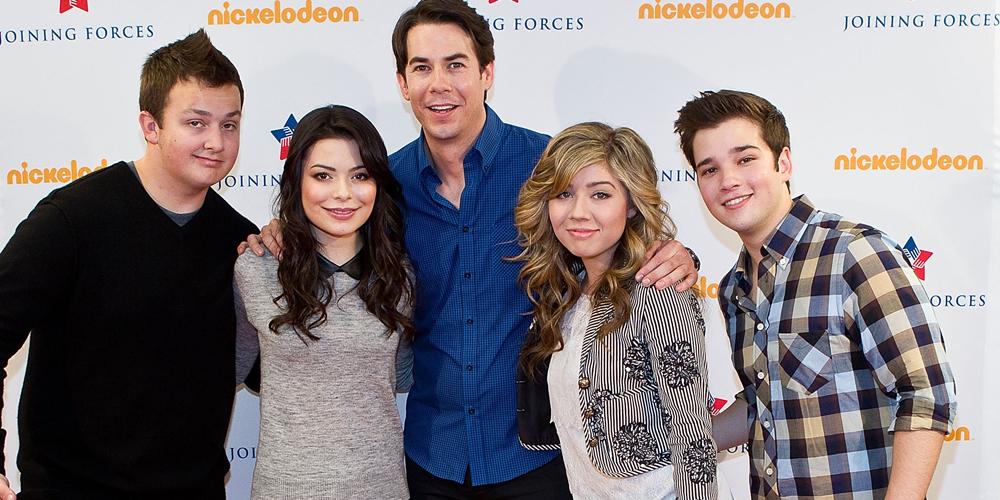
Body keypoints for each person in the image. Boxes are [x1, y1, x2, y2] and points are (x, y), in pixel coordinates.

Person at [245, 1, 699, 496]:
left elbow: (617, 228)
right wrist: (283, 230)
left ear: (487, 73)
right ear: (402, 83)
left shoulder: (548, 168)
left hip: (536, 457)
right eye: (422, 67)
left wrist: (678, 256)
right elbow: (331, 232)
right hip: (431, 458)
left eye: (456, 65)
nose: (439, 84)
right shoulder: (383, 187)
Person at [0, 29, 256, 498]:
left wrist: (307, 255)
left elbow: (269, 368)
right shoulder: (71, 220)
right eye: (196, 123)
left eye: (229, 125)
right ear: (150, 126)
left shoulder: (240, 241)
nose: (216, 142)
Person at [674, 89, 958, 499]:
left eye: (745, 159)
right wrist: (669, 448)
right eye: (709, 169)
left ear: (783, 162)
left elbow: (926, 392)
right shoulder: (734, 287)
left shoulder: (854, 253)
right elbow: (763, 402)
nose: (728, 180)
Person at [512, 122, 718, 499]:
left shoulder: (658, 289)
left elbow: (693, 432)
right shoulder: (566, 297)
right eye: (563, 194)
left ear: (632, 203)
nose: (578, 212)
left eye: (600, 194)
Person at [232, 105, 414, 498]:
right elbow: (229, 370)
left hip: (380, 489)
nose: (343, 193)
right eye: (322, 176)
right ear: (296, 180)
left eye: (360, 175)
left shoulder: (400, 278)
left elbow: (402, 376)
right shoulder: (256, 269)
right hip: (284, 490)